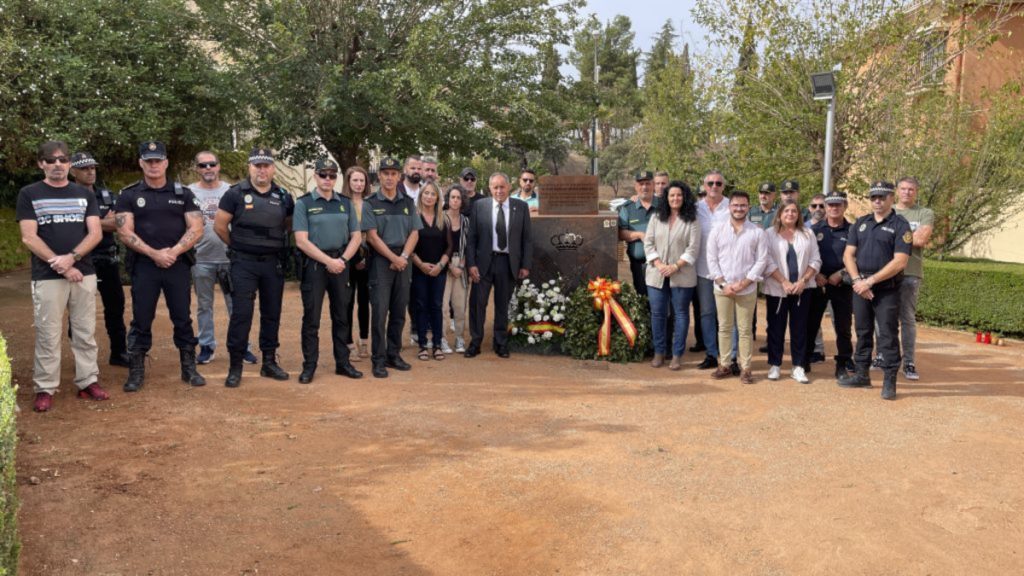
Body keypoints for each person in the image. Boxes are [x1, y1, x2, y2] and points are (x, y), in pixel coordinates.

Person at [17, 141, 107, 412]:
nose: (57, 164)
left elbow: (95, 233)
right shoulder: (29, 193)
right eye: (51, 160)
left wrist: (73, 258)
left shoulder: (84, 194)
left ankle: (87, 381)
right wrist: (64, 266)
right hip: (48, 275)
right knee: (48, 332)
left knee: (84, 330)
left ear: (69, 163)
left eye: (62, 160)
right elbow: (29, 237)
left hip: (84, 272)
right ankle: (45, 387)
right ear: (41, 164)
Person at [115, 140, 206, 391]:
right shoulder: (129, 194)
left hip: (177, 265)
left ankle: (189, 369)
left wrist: (172, 252)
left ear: (166, 162)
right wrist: (155, 253)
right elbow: (124, 232)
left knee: (182, 317)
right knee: (141, 319)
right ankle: (136, 372)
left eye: (158, 160)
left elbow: (197, 228)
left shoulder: (182, 194)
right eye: (148, 161)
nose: (153, 165)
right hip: (145, 266)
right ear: (141, 163)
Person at [215, 147, 295, 387]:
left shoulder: (283, 196)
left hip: (273, 264)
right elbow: (220, 226)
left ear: (273, 168)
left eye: (266, 165)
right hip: (244, 264)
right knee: (242, 315)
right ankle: (235, 366)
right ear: (249, 167)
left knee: (272, 314)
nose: (262, 170)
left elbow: (288, 227)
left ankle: (269, 362)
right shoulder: (235, 194)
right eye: (257, 165)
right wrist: (238, 247)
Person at [839, 181, 912, 400]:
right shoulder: (861, 223)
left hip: (886, 289)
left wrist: (869, 282)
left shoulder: (900, 225)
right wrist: (857, 281)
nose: (877, 201)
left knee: (888, 334)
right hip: (860, 286)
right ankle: (862, 374)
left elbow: (900, 261)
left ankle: (890, 381)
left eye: (882, 197)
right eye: (873, 198)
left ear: (891, 198)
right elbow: (848, 255)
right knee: (862, 330)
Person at [293, 158, 363, 383]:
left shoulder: (344, 202)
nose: (327, 179)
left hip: (341, 264)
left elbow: (356, 236)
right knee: (311, 318)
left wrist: (341, 259)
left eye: (332, 175)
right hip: (315, 265)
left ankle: (343, 363)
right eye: (323, 175)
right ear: (315, 176)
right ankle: (309, 366)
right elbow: (301, 241)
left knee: (342, 316)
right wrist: (328, 261)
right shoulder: (303, 203)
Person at [189, 151, 257, 366]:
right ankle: (207, 345)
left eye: (212, 164)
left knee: (236, 305)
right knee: (204, 305)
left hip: (230, 259)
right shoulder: (188, 192)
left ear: (218, 166)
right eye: (203, 165)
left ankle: (242, 346)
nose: (208, 168)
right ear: (197, 169)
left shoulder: (232, 191)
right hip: (201, 259)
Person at [362, 156, 422, 378]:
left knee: (398, 311)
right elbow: (372, 237)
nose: (389, 177)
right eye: (385, 173)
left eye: (393, 173)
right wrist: (393, 259)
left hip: (403, 261)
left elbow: (415, 232)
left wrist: (404, 256)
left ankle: (393, 354)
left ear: (399, 176)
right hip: (381, 261)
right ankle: (378, 360)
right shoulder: (371, 203)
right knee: (379, 313)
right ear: (379, 176)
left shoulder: (407, 203)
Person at [464, 172, 533, 359]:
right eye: (495, 187)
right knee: (478, 304)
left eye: (502, 187)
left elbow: (526, 240)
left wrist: (525, 264)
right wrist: (471, 264)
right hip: (483, 263)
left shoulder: (521, 207)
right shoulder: (479, 206)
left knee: (502, 305)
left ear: (509, 187)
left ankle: (500, 342)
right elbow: (471, 239)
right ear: (489, 188)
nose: (499, 191)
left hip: (508, 262)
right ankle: (475, 342)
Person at [69, 151, 128, 367]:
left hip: (108, 260)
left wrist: (88, 222)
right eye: (84, 168)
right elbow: (69, 226)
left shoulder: (106, 195)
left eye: (92, 167)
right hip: (81, 261)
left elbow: (119, 224)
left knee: (115, 308)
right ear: (73, 171)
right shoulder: (67, 197)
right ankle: (81, 359)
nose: (90, 171)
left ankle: (119, 353)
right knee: (78, 312)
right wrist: (102, 222)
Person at [706, 191, 768, 385]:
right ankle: (724, 364)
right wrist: (723, 283)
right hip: (722, 288)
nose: (739, 209)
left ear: (748, 207)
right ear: (729, 207)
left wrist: (745, 282)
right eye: (735, 205)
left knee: (744, 330)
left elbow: (762, 260)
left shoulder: (757, 232)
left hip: (747, 289)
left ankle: (746, 368)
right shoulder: (717, 230)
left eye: (743, 205)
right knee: (724, 328)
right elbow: (711, 258)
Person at [643, 181, 701, 370]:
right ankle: (659, 352)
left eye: (679, 195)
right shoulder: (656, 217)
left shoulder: (692, 220)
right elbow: (648, 243)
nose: (675, 198)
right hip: (656, 273)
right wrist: (659, 264)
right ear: (666, 198)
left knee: (681, 314)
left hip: (682, 274)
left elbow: (693, 249)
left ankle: (677, 355)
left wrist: (675, 266)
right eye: (672, 195)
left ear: (685, 198)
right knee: (658, 314)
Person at [762, 200, 821, 384]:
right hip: (777, 290)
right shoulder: (769, 234)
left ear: (799, 214)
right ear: (779, 214)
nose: (790, 214)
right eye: (786, 211)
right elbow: (767, 261)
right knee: (776, 328)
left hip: (803, 290)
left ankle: (798, 366)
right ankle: (775, 365)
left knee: (800, 329)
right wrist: (784, 282)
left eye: (794, 211)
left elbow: (815, 260)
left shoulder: (807, 233)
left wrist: (803, 281)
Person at [807, 191, 855, 380]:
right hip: (818, 283)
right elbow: (807, 255)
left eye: (838, 204)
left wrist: (841, 273)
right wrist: (816, 274)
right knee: (811, 323)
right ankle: (805, 358)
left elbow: (857, 256)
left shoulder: (852, 231)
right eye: (830, 205)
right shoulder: (814, 230)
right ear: (825, 207)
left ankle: (843, 362)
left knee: (843, 326)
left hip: (841, 284)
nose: (834, 208)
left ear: (845, 206)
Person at [892, 176, 933, 381]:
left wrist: (893, 236)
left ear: (916, 192)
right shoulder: (888, 211)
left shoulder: (924, 213)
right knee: (883, 318)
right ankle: (884, 357)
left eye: (911, 189)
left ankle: (908, 362)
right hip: (887, 273)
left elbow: (921, 239)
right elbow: (912, 239)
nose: (907, 192)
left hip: (910, 273)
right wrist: (909, 236)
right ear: (897, 190)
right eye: (903, 188)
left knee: (907, 319)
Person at [411, 182, 453, 361]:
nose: (429, 197)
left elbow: (450, 246)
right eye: (426, 193)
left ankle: (437, 344)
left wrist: (440, 266)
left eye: (432, 194)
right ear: (421, 196)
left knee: (436, 306)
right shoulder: (414, 217)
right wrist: (420, 264)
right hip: (418, 269)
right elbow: (409, 246)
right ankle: (422, 344)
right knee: (421, 306)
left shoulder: (444, 219)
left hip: (439, 271)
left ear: (438, 198)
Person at [694, 170, 732, 370]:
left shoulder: (731, 206)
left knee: (726, 315)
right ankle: (711, 353)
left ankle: (730, 356)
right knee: (707, 313)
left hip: (727, 270)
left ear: (723, 186)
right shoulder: (695, 208)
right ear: (704, 185)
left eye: (718, 183)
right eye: (710, 183)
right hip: (702, 268)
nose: (714, 187)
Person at [342, 166, 371, 360]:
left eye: (362, 181)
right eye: (355, 181)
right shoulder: (342, 203)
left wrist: (365, 258)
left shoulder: (370, 204)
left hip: (368, 259)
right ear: (348, 182)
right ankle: (348, 343)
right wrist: (351, 258)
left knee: (364, 302)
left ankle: (364, 342)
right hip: (346, 259)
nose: (359, 184)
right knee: (347, 302)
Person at [442, 185, 471, 353]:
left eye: (458, 198)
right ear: (448, 199)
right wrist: (449, 265)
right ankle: (442, 339)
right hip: (444, 264)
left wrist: (461, 265)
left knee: (460, 306)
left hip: (461, 265)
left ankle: (460, 339)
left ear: (462, 201)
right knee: (443, 306)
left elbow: (469, 246)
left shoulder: (466, 221)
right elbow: (438, 245)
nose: (455, 200)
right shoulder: (441, 218)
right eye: (452, 197)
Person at [618, 171, 658, 291]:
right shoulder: (628, 207)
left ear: (653, 185)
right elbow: (621, 233)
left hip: (662, 263)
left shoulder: (664, 205)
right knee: (643, 297)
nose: (644, 187)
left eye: (647, 183)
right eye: (641, 184)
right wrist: (640, 235)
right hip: (639, 264)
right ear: (636, 187)